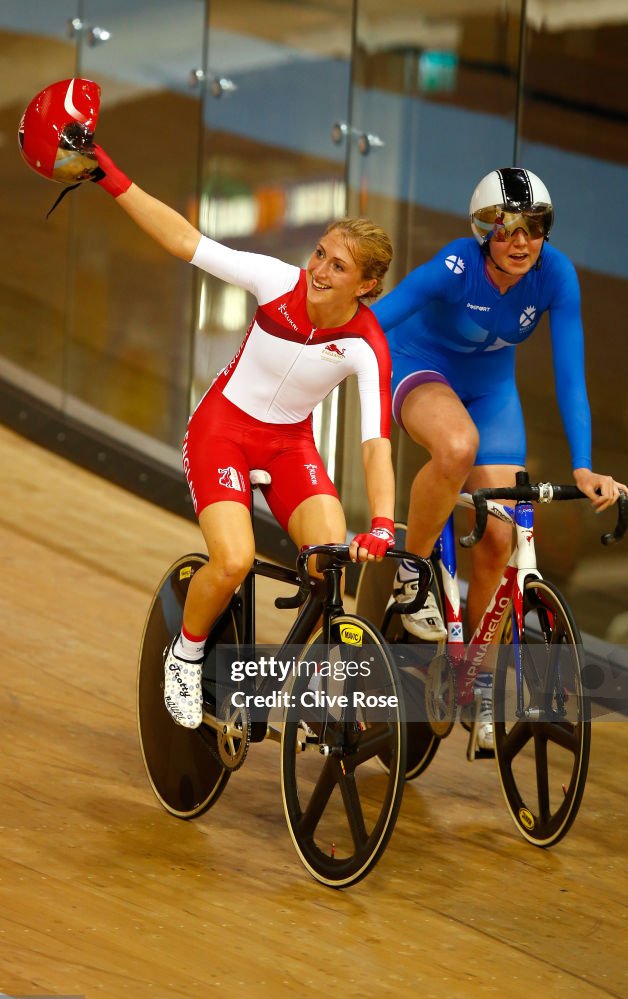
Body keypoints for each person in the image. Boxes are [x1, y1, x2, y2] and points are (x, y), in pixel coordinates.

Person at [87, 146, 398, 728]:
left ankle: (315, 688)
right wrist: (107, 172)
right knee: (234, 561)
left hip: (289, 447)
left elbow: (375, 443)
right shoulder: (276, 281)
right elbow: (184, 242)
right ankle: (185, 652)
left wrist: (382, 521)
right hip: (222, 432)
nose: (318, 271)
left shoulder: (366, 345)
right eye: (320, 254)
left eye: (338, 267)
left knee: (329, 564)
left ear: (368, 285)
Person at [372, 166, 625, 750]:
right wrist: (315, 362)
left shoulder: (556, 276)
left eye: (533, 230)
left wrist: (582, 464)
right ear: (484, 231)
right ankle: (412, 573)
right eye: (507, 230)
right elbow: (375, 324)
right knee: (457, 447)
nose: (521, 243)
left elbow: (570, 378)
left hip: (491, 392)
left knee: (499, 538)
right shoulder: (455, 266)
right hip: (419, 366)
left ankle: (476, 674)